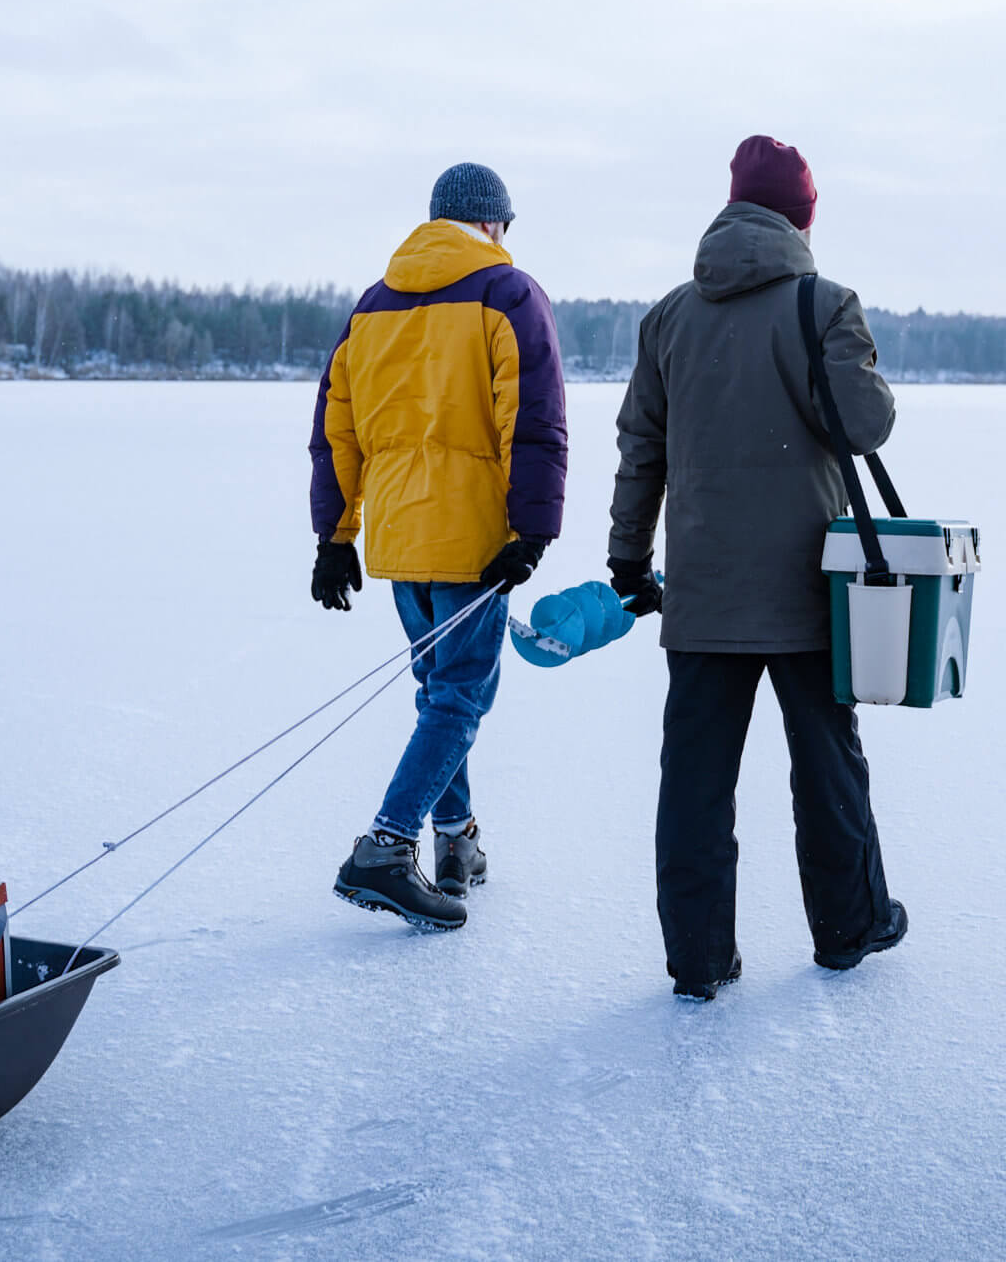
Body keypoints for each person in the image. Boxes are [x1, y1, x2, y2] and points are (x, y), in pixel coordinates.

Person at [606, 136, 908, 999]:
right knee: (827, 766)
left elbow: (641, 452)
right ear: (801, 217)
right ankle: (850, 929)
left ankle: (699, 961)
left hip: (701, 597)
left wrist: (629, 557)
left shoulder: (668, 315)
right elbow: (868, 425)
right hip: (810, 589)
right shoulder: (824, 304)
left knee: (695, 785)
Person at [309, 162, 567, 931]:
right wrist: (531, 532)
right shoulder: (507, 295)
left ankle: (458, 843)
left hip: (397, 540)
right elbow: (535, 420)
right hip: (472, 544)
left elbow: (335, 433)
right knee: (459, 697)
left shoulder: (373, 305)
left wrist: (335, 537)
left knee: (438, 694)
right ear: (490, 223)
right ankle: (386, 847)